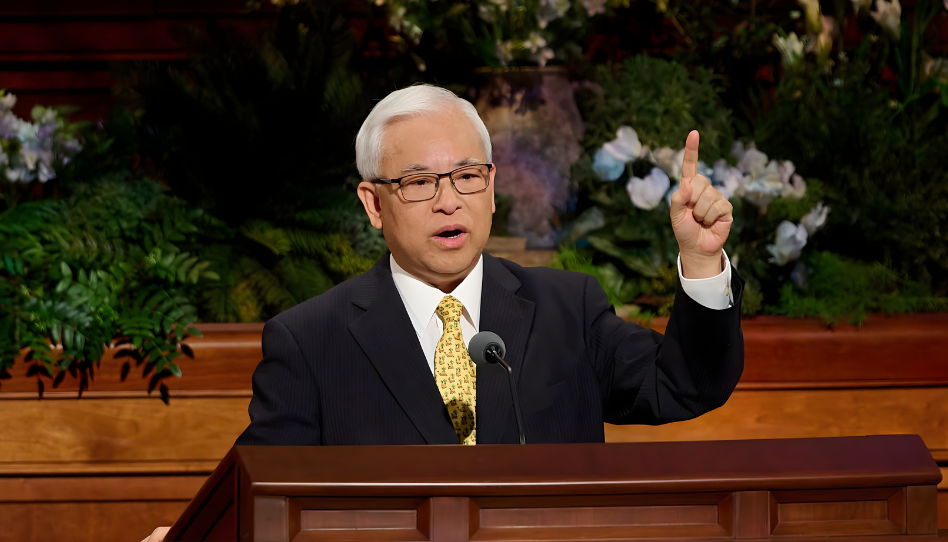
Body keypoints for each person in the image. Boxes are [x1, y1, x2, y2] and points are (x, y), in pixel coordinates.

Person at [141, 84, 742, 542]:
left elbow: (684, 384)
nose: (449, 200)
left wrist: (700, 260)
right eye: (419, 182)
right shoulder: (311, 340)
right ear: (373, 204)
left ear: (491, 186)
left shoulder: (568, 308)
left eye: (466, 176)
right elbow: (257, 496)